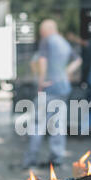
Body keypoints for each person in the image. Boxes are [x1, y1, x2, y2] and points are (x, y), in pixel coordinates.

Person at [22, 19, 82, 169]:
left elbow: (42, 61)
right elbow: (78, 60)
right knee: (58, 124)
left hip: (49, 88)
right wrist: (65, 72)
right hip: (63, 88)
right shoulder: (64, 42)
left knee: (37, 123)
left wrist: (42, 81)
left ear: (45, 30)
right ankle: (56, 158)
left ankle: (31, 159)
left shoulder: (47, 41)